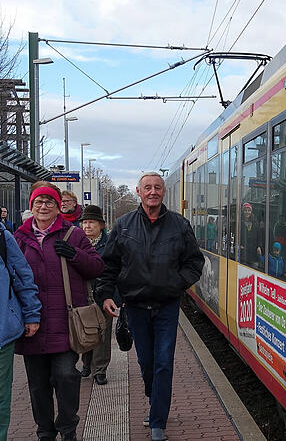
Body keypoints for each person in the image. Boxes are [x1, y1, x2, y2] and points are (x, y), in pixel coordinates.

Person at [97, 172, 204, 441]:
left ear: (163, 192)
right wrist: (106, 294)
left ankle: (158, 421)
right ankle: (153, 398)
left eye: (157, 187)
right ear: (138, 191)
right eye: (147, 187)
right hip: (135, 305)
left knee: (164, 362)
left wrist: (176, 284)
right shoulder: (123, 226)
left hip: (167, 306)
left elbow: (194, 262)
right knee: (147, 363)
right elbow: (109, 264)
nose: (152, 191)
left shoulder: (180, 225)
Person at [13, 181, 104, 441]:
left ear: (57, 207)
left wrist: (74, 254)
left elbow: (97, 267)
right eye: (39, 202)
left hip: (65, 324)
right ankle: (45, 432)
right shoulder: (19, 238)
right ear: (31, 206)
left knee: (66, 377)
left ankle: (68, 429)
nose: (44, 206)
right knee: (38, 386)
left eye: (50, 202)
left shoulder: (72, 235)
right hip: (32, 325)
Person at [0, 215, 40, 441]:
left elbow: (24, 278)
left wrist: (32, 314)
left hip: (1, 333)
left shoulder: (3, 237)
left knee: (0, 398)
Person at [79, 205, 114, 385]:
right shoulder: (77, 243)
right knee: (85, 330)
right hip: (83, 296)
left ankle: (100, 369)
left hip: (104, 296)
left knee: (103, 333)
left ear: (101, 225)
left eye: (91, 222)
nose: (87, 226)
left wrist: (117, 298)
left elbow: (117, 270)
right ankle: (86, 364)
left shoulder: (109, 244)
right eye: (84, 222)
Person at [239, 203, 262, 269]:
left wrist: (259, 246)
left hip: (253, 252)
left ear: (251, 212)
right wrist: (239, 245)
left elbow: (259, 236)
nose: (247, 212)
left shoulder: (255, 223)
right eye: (245, 210)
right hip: (243, 253)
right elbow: (236, 236)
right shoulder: (239, 223)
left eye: (249, 210)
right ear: (243, 211)